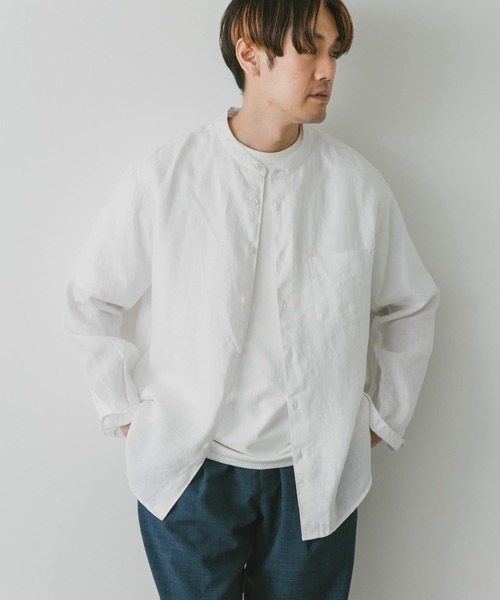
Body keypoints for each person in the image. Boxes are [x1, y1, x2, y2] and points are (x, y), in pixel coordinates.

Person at [65, 0, 439, 598]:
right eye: (310, 48)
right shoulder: (166, 177)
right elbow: (92, 298)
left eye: (334, 52)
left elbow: (411, 305)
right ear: (249, 52)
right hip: (189, 477)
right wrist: (128, 414)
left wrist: (378, 421)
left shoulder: (356, 186)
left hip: (315, 480)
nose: (328, 70)